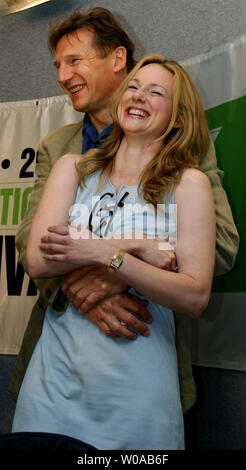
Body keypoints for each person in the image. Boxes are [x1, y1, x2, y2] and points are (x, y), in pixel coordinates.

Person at [9, 8, 239, 419]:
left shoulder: (183, 155)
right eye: (58, 65)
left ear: (117, 59)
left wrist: (111, 266)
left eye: (74, 61)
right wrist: (85, 286)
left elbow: (218, 245)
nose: (62, 76)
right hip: (55, 372)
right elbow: (32, 244)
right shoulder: (59, 150)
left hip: (143, 368)